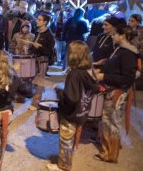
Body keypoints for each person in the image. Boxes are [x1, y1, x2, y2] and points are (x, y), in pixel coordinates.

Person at [46, 41, 101, 171]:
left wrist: (61, 96)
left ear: (73, 56)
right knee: (70, 137)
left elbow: (71, 98)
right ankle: (68, 155)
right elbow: (94, 88)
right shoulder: (89, 71)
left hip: (70, 113)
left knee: (65, 139)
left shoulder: (74, 74)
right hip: (82, 111)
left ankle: (64, 166)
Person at [94, 24, 138, 163]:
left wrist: (104, 77)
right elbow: (114, 68)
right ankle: (108, 150)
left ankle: (111, 154)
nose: (112, 36)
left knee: (112, 122)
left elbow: (127, 78)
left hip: (117, 93)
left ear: (122, 36)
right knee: (107, 121)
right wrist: (101, 68)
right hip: (110, 89)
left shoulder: (128, 53)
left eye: (114, 34)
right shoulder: (120, 49)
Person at [30, 14, 56, 110]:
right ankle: (38, 98)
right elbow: (34, 46)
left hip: (43, 60)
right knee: (34, 80)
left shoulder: (49, 35)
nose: (37, 21)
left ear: (45, 22)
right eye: (38, 19)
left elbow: (50, 52)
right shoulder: (37, 32)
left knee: (40, 81)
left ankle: (35, 103)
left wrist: (40, 47)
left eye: (39, 19)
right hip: (35, 59)